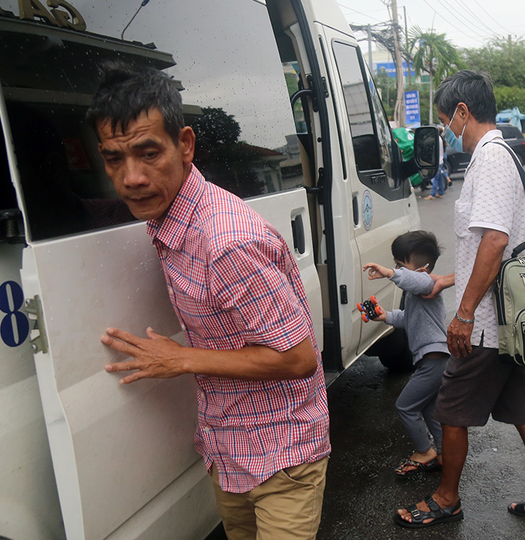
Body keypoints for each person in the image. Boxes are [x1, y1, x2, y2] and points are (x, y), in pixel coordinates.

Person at [87, 64, 330, 540]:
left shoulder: (224, 242)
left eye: (148, 153)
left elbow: (299, 358)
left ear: (185, 145)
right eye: (114, 159)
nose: (132, 177)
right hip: (228, 446)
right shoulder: (168, 214)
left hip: (282, 454)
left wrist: (179, 359)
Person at [394, 70, 525, 530]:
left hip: (490, 326)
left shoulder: (490, 158)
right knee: (523, 413)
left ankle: (446, 498)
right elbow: (489, 249)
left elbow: (495, 241)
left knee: (449, 411)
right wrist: (450, 281)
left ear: (463, 112)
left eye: (445, 121)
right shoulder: (499, 155)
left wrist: (464, 314)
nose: (446, 131)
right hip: (510, 323)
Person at [362, 231, 450, 476]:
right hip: (432, 360)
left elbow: (416, 281)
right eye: (396, 265)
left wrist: (390, 273)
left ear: (422, 270)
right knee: (428, 408)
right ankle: (444, 453)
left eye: (401, 265)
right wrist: (386, 316)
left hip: (434, 360)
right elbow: (409, 318)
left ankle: (424, 451)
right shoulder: (418, 291)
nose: (398, 270)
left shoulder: (428, 284)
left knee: (405, 406)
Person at [426, 130, 448, 199]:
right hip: (440, 160)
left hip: (437, 161)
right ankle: (441, 192)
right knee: (440, 178)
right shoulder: (440, 138)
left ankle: (433, 194)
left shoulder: (435, 140)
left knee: (435, 178)